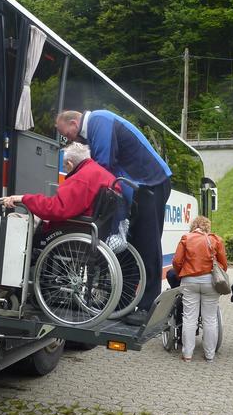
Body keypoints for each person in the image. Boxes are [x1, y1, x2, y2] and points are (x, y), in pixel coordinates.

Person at [55, 110, 172, 325]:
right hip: (137, 185)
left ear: (74, 123)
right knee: (127, 247)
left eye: (67, 134)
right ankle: (122, 303)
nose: (68, 139)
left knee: (147, 245)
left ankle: (148, 308)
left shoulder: (100, 121)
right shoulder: (95, 128)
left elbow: (102, 166)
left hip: (151, 184)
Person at [1, 143, 118, 224]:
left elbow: (56, 209)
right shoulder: (103, 174)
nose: (65, 169)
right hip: (87, 224)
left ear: (70, 164)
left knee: (14, 218)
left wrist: (23, 198)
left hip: (71, 226)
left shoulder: (81, 178)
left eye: (64, 166)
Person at [171, 216, 227, 362]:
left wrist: (180, 274)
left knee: (189, 318)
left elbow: (177, 261)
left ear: (193, 226)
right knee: (210, 319)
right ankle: (209, 355)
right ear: (207, 227)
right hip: (210, 282)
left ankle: (187, 354)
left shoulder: (186, 238)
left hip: (190, 281)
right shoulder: (216, 240)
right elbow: (223, 264)